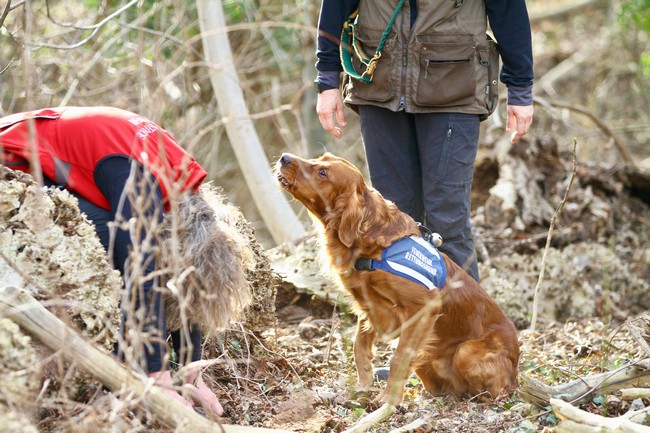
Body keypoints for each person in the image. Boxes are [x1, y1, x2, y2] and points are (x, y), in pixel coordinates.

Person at [0, 106, 254, 416]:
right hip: (9, 162)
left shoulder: (183, 183)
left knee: (152, 255)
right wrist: (158, 376)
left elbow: (190, 279)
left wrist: (192, 371)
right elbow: (141, 269)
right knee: (115, 239)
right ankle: (118, 369)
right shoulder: (136, 181)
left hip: (75, 159)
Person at [314, 0, 534, 281]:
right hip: (377, 85)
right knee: (392, 222)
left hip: (456, 91)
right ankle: (404, 309)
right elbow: (335, 6)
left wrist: (520, 87)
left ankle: (462, 309)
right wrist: (327, 80)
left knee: (448, 222)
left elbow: (508, 10)